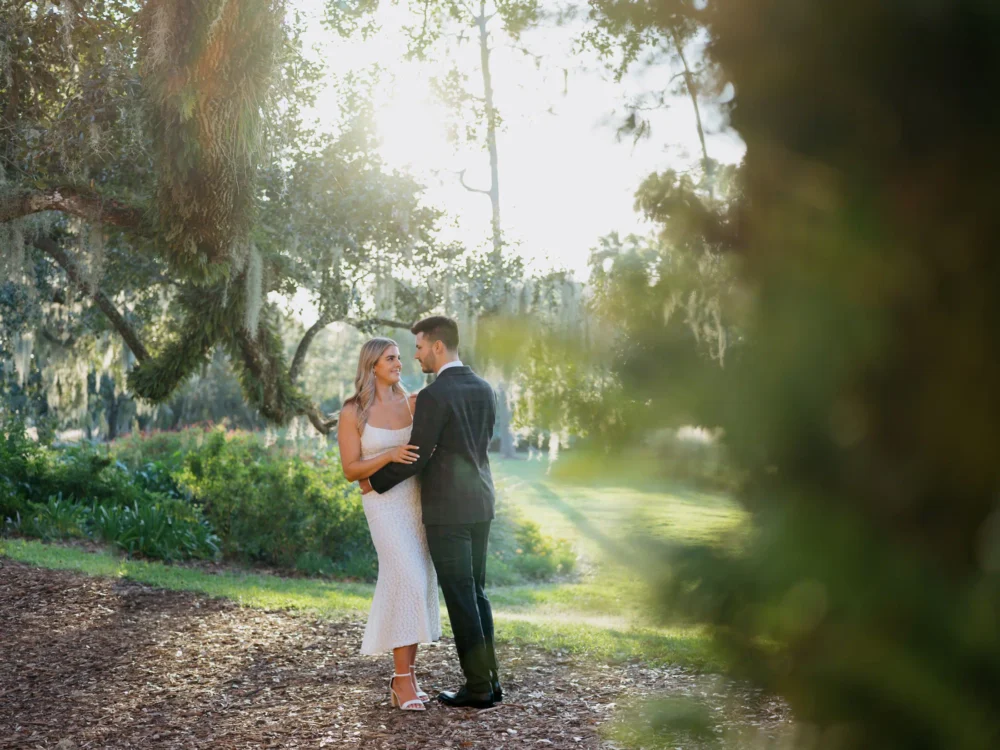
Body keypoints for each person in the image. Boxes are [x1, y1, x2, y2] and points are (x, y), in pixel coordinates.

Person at [360, 316, 502, 709]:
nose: (416, 355)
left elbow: (416, 457)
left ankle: (477, 688)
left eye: (420, 347)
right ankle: (491, 681)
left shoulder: (436, 394)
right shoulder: (484, 388)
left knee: (460, 596)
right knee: (476, 592)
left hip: (448, 510)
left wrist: (374, 483)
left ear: (438, 346)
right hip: (481, 504)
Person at [337, 337, 441, 713]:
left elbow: (428, 453)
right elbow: (351, 470)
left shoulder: (414, 403)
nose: (400, 363)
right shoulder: (353, 412)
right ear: (372, 366)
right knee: (409, 578)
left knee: (414, 583)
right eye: (391, 358)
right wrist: (388, 454)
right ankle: (400, 679)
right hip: (382, 507)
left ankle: (407, 677)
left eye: (400, 357)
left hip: (416, 503)